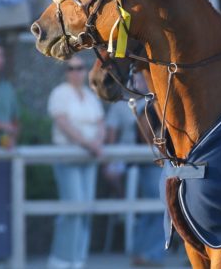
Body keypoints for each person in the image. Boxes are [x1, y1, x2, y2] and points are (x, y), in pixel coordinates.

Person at [47, 55, 105, 269]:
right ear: (66, 72)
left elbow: (101, 124)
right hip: (68, 156)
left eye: (80, 68)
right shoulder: (59, 93)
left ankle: (78, 259)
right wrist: (88, 144)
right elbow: (63, 124)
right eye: (72, 68)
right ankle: (61, 259)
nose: (76, 72)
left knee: (86, 208)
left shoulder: (90, 95)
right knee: (73, 208)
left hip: (89, 158)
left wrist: (97, 142)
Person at [105, 73, 165, 267]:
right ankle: (148, 254)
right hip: (147, 162)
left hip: (152, 162)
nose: (142, 82)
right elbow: (145, 135)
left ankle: (143, 252)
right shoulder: (147, 106)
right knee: (158, 207)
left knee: (154, 208)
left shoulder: (155, 102)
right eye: (139, 79)